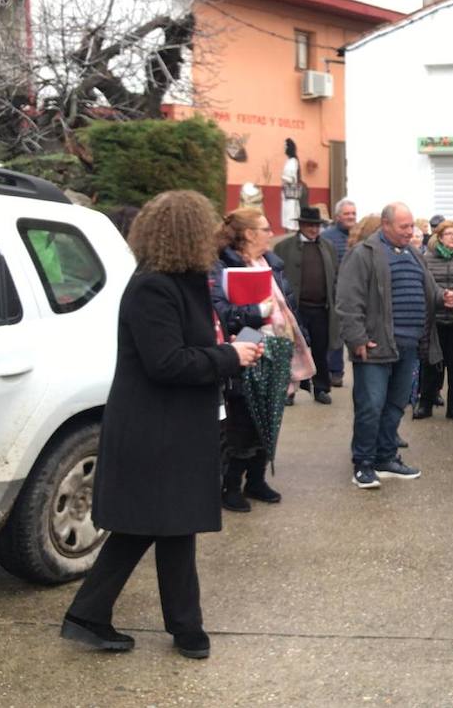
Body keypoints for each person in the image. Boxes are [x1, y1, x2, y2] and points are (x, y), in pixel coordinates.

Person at [61, 190, 263, 660]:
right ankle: (155, 624)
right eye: (206, 226)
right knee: (160, 526)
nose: (215, 234)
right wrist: (228, 356)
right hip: (154, 430)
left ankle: (142, 621)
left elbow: (189, 346)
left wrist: (229, 346)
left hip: (174, 427)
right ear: (185, 234)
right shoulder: (154, 286)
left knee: (169, 526)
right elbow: (165, 362)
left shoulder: (182, 281)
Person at [336, 203, 453, 489]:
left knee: (396, 405)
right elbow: (348, 301)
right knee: (370, 406)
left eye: (411, 226)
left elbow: (426, 286)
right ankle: (363, 463)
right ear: (385, 225)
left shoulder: (413, 253)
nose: (410, 231)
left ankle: (385, 457)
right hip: (375, 346)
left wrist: (442, 296)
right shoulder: (364, 254)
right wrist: (357, 338)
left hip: (410, 346)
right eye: (403, 227)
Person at [211, 208, 314, 512]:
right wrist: (256, 312)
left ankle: (256, 479)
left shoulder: (271, 263)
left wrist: (300, 337)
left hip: (277, 350)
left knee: (270, 416)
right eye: (265, 228)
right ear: (248, 234)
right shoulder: (222, 266)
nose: (271, 233)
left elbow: (288, 307)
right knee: (243, 420)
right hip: (246, 346)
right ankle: (231, 485)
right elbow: (219, 312)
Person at [273, 206, 339, 406]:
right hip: (295, 309)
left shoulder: (328, 247)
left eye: (316, 226)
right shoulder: (283, 247)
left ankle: (320, 388)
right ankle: (289, 391)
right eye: (309, 225)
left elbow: (334, 276)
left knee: (320, 350)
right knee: (292, 350)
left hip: (320, 308)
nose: (313, 229)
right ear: (301, 225)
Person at [415, 219, 453, 421]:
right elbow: (422, 288)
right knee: (431, 364)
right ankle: (425, 404)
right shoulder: (427, 259)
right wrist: (440, 299)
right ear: (438, 237)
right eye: (448, 234)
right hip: (435, 321)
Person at [322, 198, 358, 386]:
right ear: (337, 217)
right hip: (335, 292)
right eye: (347, 213)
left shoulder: (360, 235)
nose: (351, 217)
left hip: (357, 293)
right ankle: (335, 371)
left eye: (353, 213)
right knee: (334, 333)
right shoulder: (327, 237)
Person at [280, 138, 304, 232]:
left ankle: (291, 232)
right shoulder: (290, 161)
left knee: (291, 215)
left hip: (291, 192)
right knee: (287, 214)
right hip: (287, 193)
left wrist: (284, 179)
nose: (284, 148)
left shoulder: (293, 161)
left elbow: (290, 177)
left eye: (285, 146)